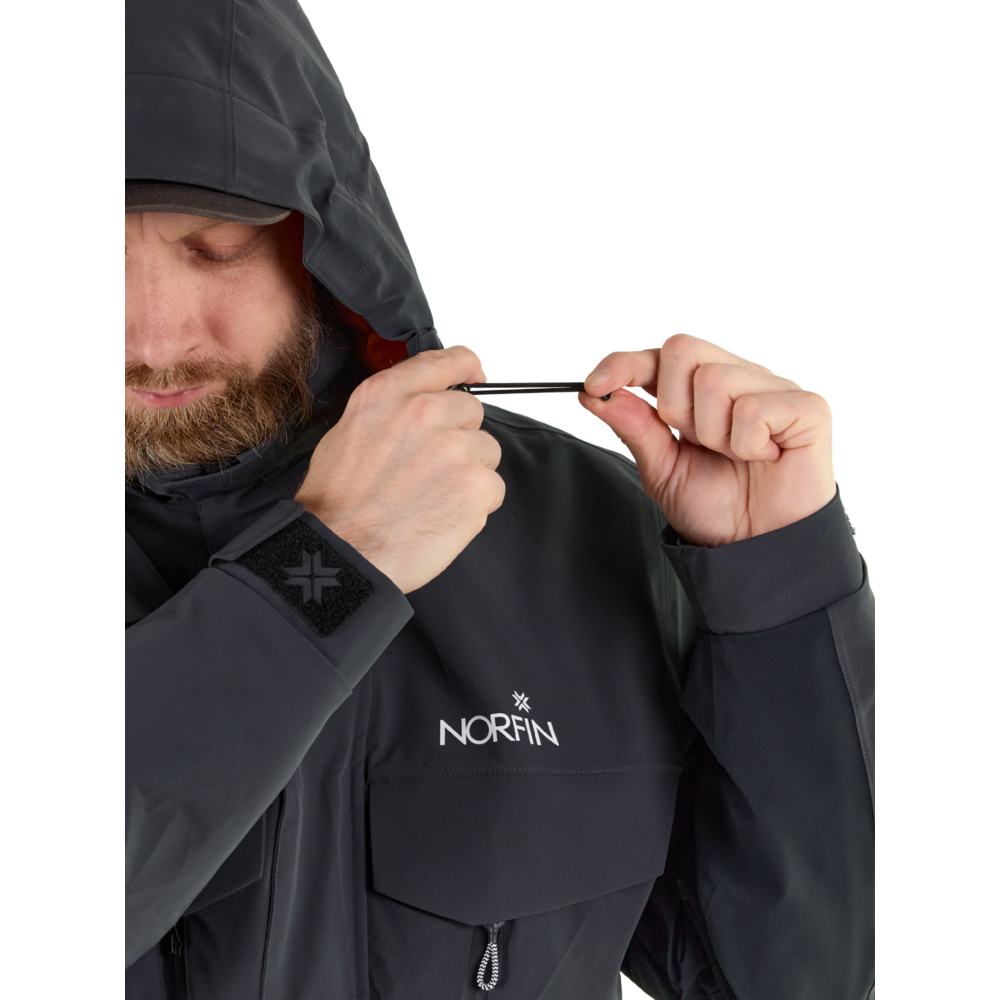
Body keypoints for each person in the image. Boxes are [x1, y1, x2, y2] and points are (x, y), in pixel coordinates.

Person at [125, 1, 874, 997]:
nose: (154, 336)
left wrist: (773, 581)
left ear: (322, 237)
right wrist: (328, 568)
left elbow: (779, 980)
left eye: (218, 245)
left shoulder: (577, 531)